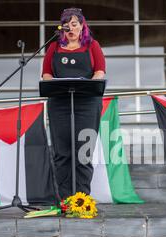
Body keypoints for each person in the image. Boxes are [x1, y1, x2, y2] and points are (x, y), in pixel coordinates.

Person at [42, 7, 106, 200]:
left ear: (82, 26)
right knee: (62, 153)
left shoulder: (92, 46)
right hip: (59, 104)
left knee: (83, 153)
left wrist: (90, 82)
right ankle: (65, 200)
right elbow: (46, 74)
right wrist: (51, 82)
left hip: (87, 103)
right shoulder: (53, 47)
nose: (70, 28)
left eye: (74, 24)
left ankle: (82, 200)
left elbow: (100, 71)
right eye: (67, 24)